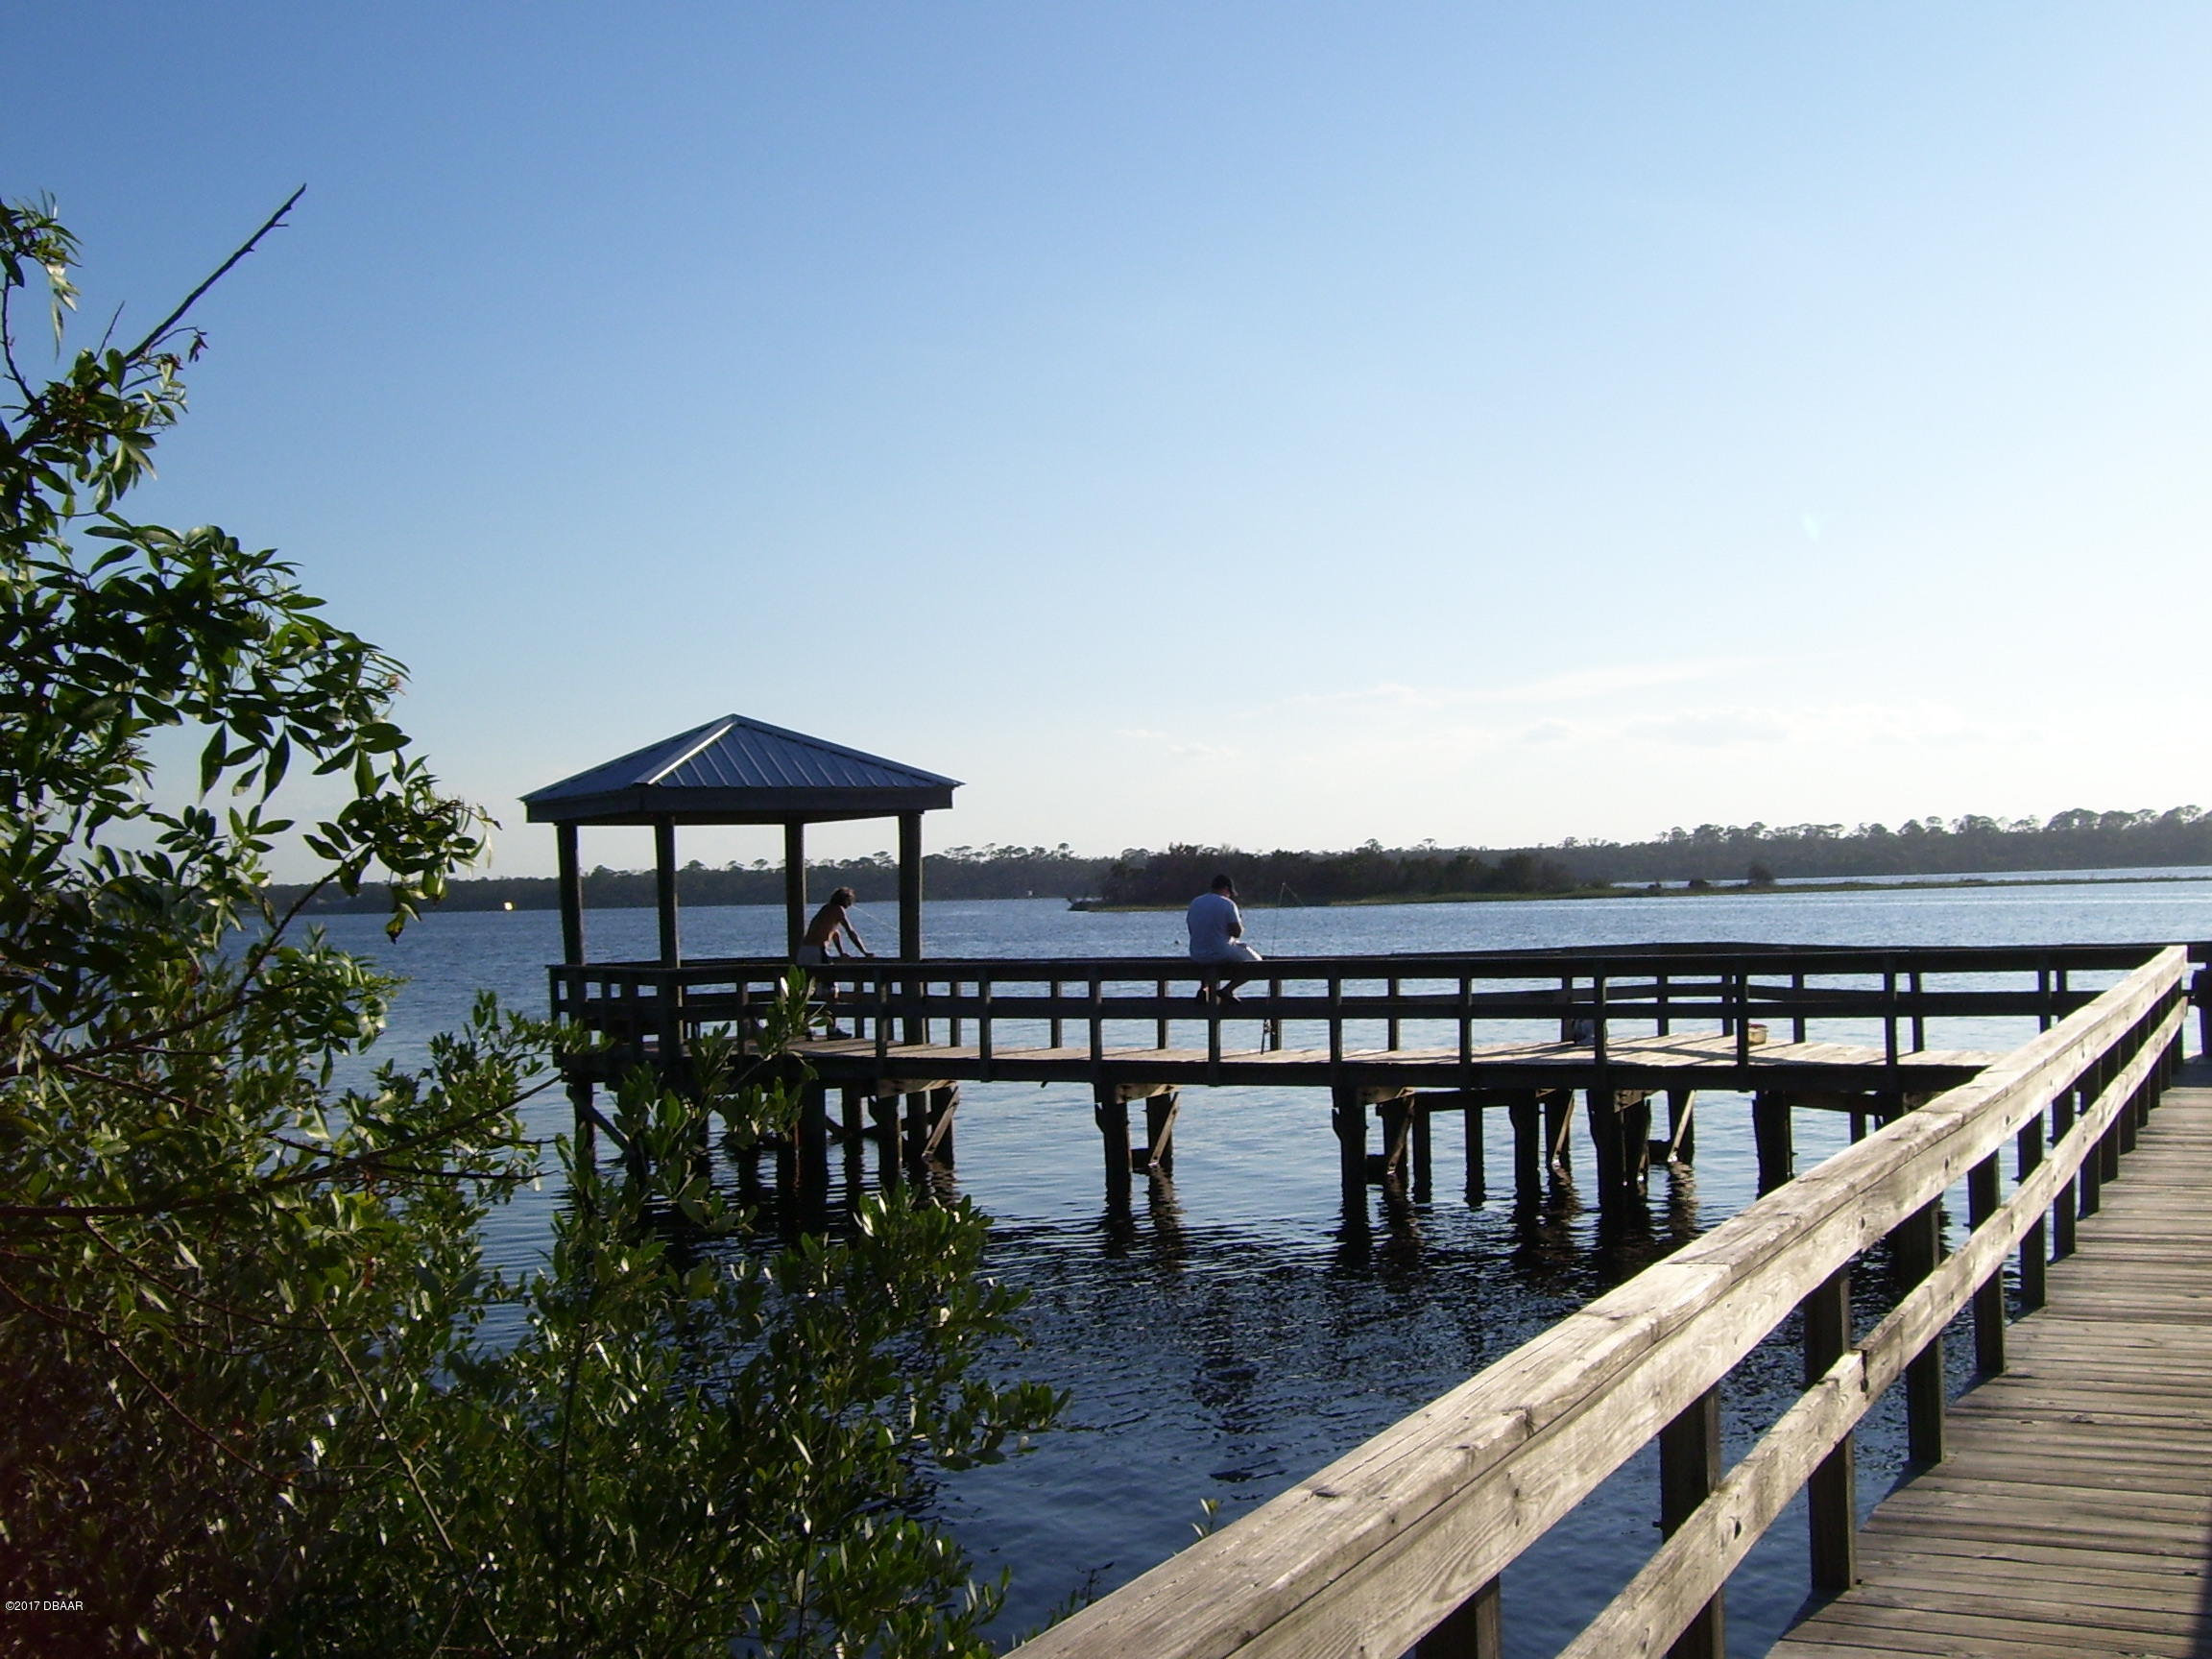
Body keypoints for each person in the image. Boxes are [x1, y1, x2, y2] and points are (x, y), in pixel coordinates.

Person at [796, 887, 872, 1037]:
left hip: (804, 951)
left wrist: (841, 952)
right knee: (831, 992)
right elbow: (850, 931)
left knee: (805, 991)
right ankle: (831, 1029)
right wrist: (864, 952)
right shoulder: (838, 910)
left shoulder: (825, 910)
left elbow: (834, 933)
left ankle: (803, 1027)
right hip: (817, 951)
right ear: (846, 900)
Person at [1187, 873, 1262, 1001]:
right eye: (1230, 893)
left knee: (1209, 951)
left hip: (1196, 954)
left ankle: (1204, 988)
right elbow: (1236, 933)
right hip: (1220, 953)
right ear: (1227, 888)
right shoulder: (1228, 904)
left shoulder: (1195, 902)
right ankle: (1228, 989)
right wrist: (1240, 923)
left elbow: (1192, 930)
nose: (1230, 896)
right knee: (1257, 963)